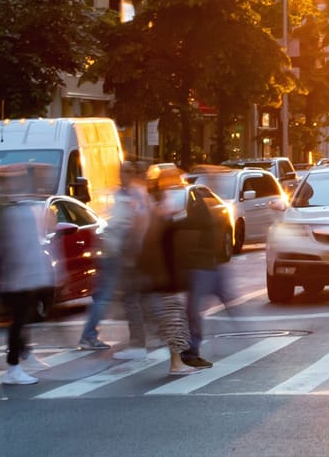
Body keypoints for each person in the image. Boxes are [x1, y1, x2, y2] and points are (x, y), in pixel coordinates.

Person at [0, 165, 58, 385]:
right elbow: (12, 246)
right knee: (18, 321)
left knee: (22, 319)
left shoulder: (21, 208)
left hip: (23, 276)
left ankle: (22, 356)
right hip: (17, 277)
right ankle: (13, 367)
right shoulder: (12, 211)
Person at [84, 160, 154, 358]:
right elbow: (111, 222)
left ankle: (139, 343)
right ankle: (140, 340)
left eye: (128, 171)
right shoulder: (117, 194)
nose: (123, 175)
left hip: (129, 253)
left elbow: (139, 223)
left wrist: (133, 252)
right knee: (128, 297)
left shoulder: (137, 194)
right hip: (117, 252)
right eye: (122, 171)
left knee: (130, 298)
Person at [138, 166, 198, 376]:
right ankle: (175, 363)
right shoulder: (158, 209)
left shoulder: (163, 206)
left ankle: (176, 362)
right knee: (174, 319)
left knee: (176, 318)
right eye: (172, 179)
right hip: (165, 275)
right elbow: (154, 243)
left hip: (169, 272)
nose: (177, 183)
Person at [180, 177, 236, 368]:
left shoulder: (194, 210)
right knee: (189, 310)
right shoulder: (182, 207)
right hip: (195, 267)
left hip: (199, 267)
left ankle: (189, 351)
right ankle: (187, 351)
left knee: (191, 310)